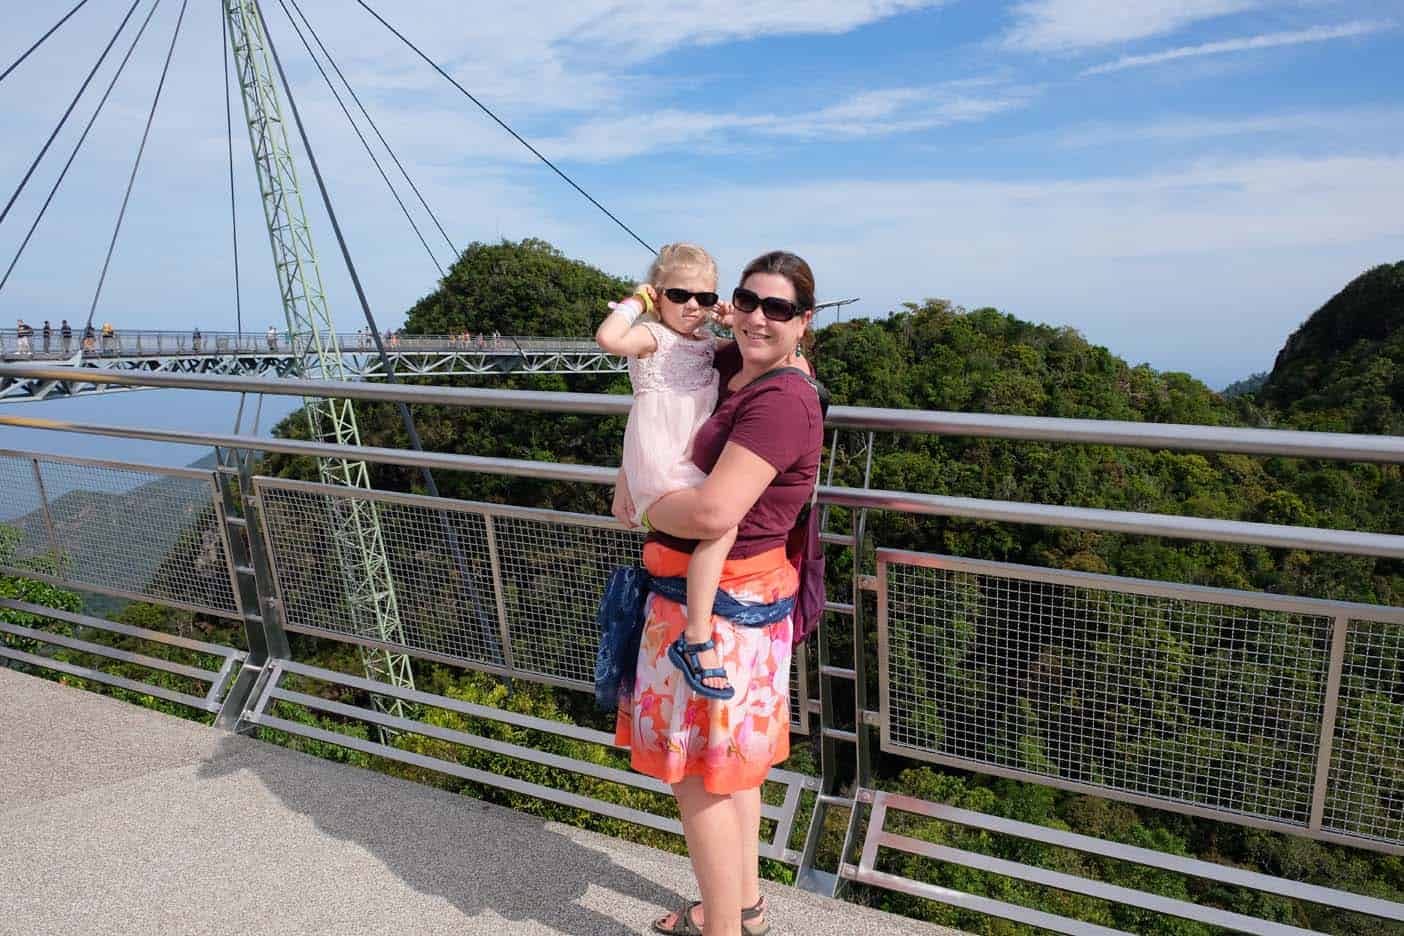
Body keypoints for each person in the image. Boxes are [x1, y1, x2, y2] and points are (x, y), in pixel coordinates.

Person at [613, 250, 824, 936]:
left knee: (701, 781)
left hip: (720, 618)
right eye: (747, 300)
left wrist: (646, 502)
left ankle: (722, 931)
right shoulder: (743, 365)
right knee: (729, 772)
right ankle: (744, 908)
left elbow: (709, 515)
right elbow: (662, 381)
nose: (758, 317)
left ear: (804, 321)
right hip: (738, 604)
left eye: (779, 309)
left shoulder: (780, 399)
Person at [597, 244, 739, 700]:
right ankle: (696, 636)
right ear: (659, 296)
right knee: (721, 525)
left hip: (688, 462)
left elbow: (751, 350)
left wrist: (733, 319)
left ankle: (697, 628)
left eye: (704, 297)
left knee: (724, 515)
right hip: (663, 470)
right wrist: (635, 303)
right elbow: (609, 340)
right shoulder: (652, 337)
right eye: (679, 295)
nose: (692, 306)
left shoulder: (706, 345)